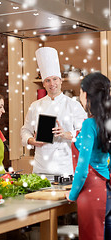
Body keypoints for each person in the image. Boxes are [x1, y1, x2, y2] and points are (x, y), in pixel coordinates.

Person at [21, 47, 87, 176]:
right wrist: (31, 140)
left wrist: (66, 134)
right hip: (40, 168)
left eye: (55, 79)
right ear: (44, 84)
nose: (52, 84)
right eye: (48, 80)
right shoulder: (35, 106)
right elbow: (25, 130)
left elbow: (85, 134)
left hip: (65, 168)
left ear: (61, 81)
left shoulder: (74, 105)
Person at [66, 72, 111, 240]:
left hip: (90, 193)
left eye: (80, 92)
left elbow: (82, 168)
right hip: (106, 190)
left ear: (86, 94)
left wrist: (72, 194)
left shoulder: (89, 124)